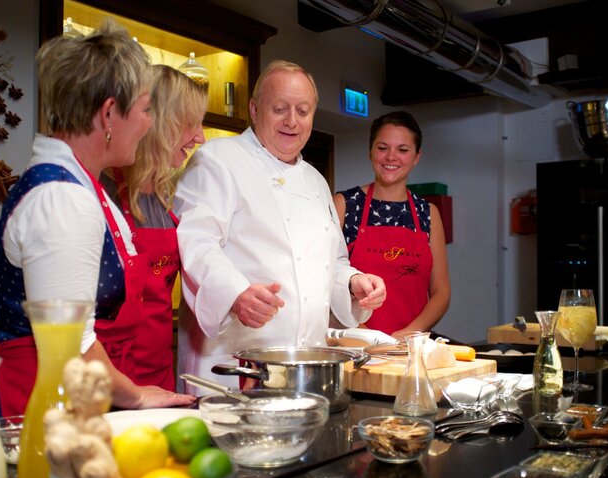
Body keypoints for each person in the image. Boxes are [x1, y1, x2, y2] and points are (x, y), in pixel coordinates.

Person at [0, 20, 194, 416]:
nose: (148, 124)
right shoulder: (63, 199)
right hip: (44, 409)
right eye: (145, 110)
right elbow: (72, 344)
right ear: (109, 114)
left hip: (77, 396)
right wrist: (136, 396)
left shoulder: (76, 183)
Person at [174, 60, 387, 393]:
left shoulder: (316, 181)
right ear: (255, 110)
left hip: (302, 367)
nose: (292, 121)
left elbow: (332, 262)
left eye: (303, 111)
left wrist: (353, 283)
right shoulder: (219, 159)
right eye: (280, 109)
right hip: (233, 367)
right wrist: (234, 294)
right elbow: (196, 242)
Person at [99, 64, 207, 390]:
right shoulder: (103, 190)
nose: (200, 137)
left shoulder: (167, 197)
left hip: (158, 372)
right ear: (158, 121)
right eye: (191, 124)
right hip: (105, 377)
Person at [333, 111, 450, 339]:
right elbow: (323, 280)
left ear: (416, 157)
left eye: (403, 150)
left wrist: (408, 334)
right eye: (382, 147)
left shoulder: (428, 214)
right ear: (370, 152)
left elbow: (441, 291)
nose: (391, 157)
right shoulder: (344, 205)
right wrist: (369, 338)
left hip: (408, 347)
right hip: (354, 345)